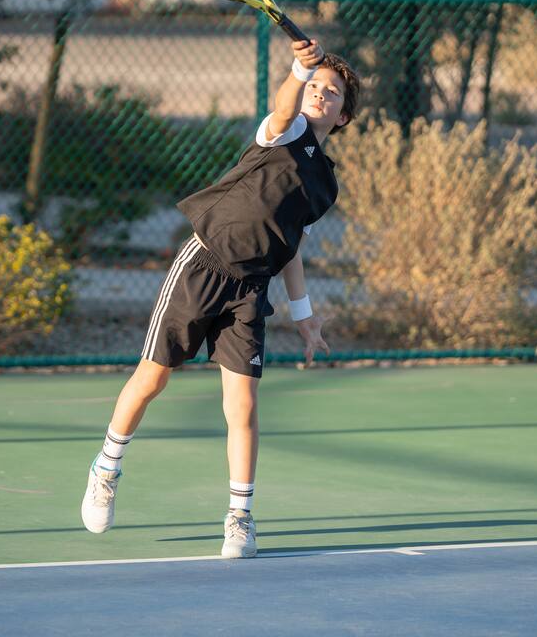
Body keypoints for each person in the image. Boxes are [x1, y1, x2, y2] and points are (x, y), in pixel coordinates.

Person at [80, 38, 361, 558]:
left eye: (333, 92)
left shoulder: (326, 184)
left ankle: (240, 517)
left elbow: (290, 244)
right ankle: (106, 468)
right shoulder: (284, 132)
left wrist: (306, 317)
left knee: (244, 406)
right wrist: (300, 69)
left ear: (344, 115)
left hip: (251, 290)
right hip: (202, 266)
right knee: (152, 377)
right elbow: (281, 107)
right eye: (316, 86)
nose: (322, 94)